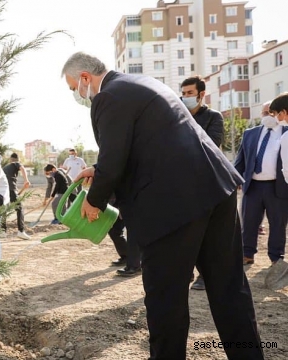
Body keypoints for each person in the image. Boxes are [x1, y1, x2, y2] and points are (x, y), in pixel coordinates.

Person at [62, 52, 263, 359]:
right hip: (215, 188)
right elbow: (144, 147)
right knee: (229, 288)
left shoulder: (108, 97)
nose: (76, 95)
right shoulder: (141, 83)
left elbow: (114, 160)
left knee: (165, 299)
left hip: (173, 206)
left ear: (86, 78)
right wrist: (98, 169)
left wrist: (94, 200)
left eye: (73, 87)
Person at [180, 75, 225, 291]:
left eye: (190, 93)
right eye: (184, 93)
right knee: (182, 231)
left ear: (201, 94)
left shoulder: (214, 117)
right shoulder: (177, 116)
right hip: (182, 183)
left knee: (204, 233)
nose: (185, 97)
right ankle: (185, 272)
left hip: (206, 183)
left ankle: (204, 275)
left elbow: (212, 144)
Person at [235, 97, 288, 266]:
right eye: (265, 112)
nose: (268, 116)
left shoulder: (285, 133)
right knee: (249, 222)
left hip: (277, 186)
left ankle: (276, 257)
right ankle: (247, 253)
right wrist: (234, 178)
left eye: (272, 112)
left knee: (278, 223)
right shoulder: (250, 133)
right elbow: (240, 160)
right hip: (253, 186)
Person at [107, 196, 141, 276]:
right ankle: (126, 255)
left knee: (132, 230)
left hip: (129, 199)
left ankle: (135, 265)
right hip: (114, 201)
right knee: (113, 230)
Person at [1, 153, 31, 240]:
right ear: (17, 159)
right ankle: (21, 231)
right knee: (20, 209)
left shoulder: (5, 167)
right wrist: (26, 180)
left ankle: (3, 231)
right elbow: (22, 168)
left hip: (3, 190)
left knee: (4, 210)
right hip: (11, 189)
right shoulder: (16, 163)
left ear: (10, 159)